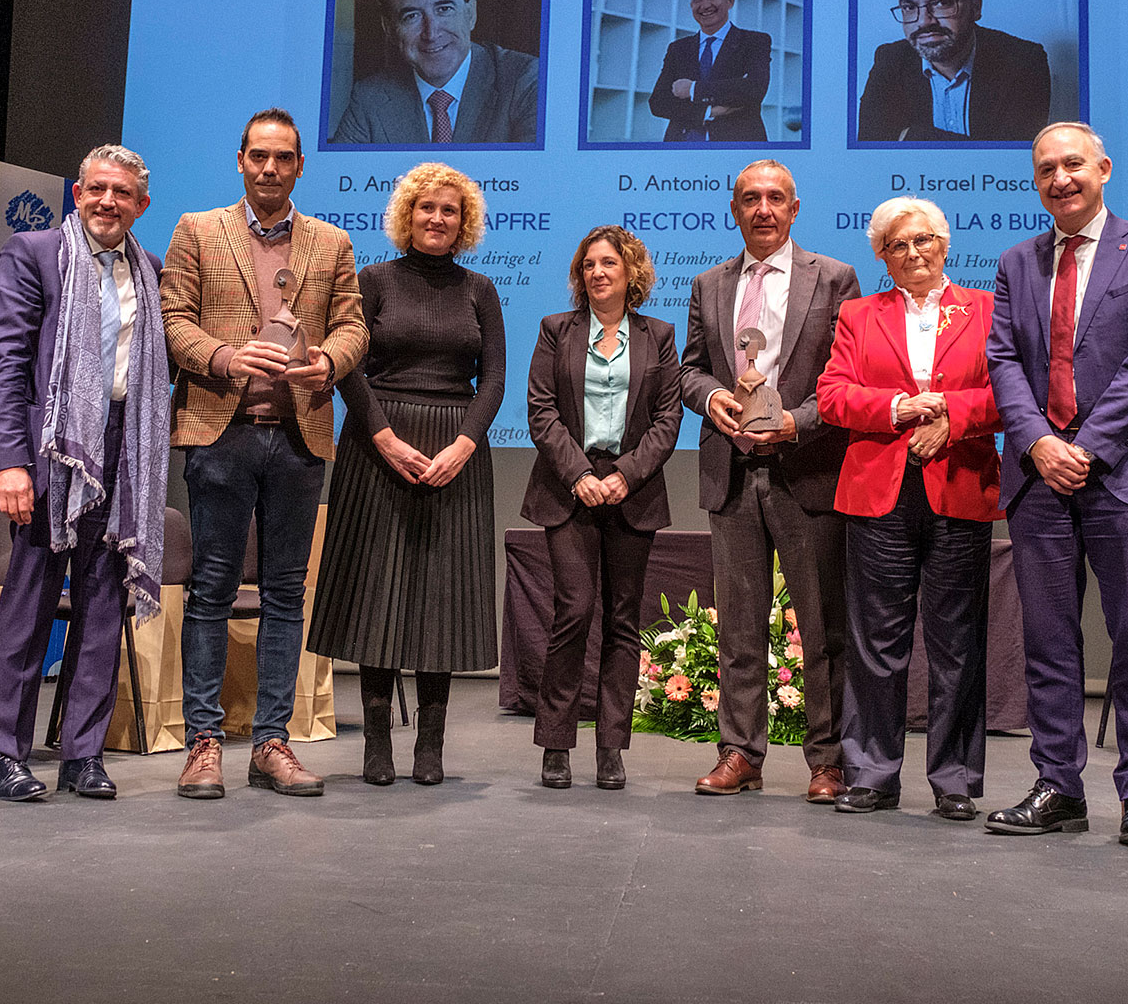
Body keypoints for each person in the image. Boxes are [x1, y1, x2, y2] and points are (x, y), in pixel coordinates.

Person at [984, 122, 1128, 847]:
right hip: (1039, 478)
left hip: (1125, 474)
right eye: (1046, 169)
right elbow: (1002, 359)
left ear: (1102, 168)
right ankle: (1058, 788)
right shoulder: (1016, 261)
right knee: (1047, 642)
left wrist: (1087, 449)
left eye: (1073, 165)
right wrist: (1040, 442)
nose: (1060, 178)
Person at [161, 107, 368, 798]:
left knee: (286, 592)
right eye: (259, 156)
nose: (271, 168)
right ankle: (205, 743)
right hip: (220, 432)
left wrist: (329, 367)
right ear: (241, 161)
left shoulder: (331, 242)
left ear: (301, 166)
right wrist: (222, 356)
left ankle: (272, 742)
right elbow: (172, 322)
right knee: (212, 590)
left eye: (284, 157)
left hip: (299, 436)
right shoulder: (198, 230)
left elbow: (353, 327)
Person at [0, 145, 171, 803]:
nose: (108, 202)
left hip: (123, 450)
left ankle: (83, 754)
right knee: (28, 608)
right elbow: (5, 364)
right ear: (77, 192)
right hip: (52, 453)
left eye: (123, 193)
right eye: (97, 189)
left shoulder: (150, 268)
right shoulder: (35, 254)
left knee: (101, 607)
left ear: (141, 205)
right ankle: (5, 756)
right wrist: (7, 458)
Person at [308, 163, 505, 787]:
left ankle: (431, 745)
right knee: (377, 593)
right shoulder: (373, 281)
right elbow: (350, 368)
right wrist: (385, 437)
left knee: (439, 597)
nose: (438, 219)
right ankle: (376, 745)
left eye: (450, 210)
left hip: (456, 455)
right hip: (379, 446)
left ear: (464, 220)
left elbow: (494, 377)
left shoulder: (480, 290)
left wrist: (465, 444)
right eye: (427, 209)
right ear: (406, 216)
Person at [815, 197, 1002, 820]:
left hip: (960, 486)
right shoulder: (857, 314)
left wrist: (951, 416)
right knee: (876, 643)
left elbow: (1009, 393)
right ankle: (871, 771)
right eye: (898, 245)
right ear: (881, 255)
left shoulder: (985, 309)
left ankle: (954, 778)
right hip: (879, 492)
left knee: (956, 641)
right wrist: (900, 409)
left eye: (923, 240)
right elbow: (834, 394)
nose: (913, 253)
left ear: (945, 244)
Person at [679, 159, 860, 801]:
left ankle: (828, 761)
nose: (763, 209)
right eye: (750, 198)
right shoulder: (709, 284)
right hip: (731, 473)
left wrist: (796, 422)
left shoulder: (835, 277)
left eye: (775, 198)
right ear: (735, 210)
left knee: (823, 627)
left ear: (795, 207)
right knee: (739, 626)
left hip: (806, 469)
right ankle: (740, 754)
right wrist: (711, 401)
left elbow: (847, 374)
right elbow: (690, 370)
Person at [525, 226, 684, 790]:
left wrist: (624, 475)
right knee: (574, 610)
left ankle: (612, 746)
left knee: (622, 620)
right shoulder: (555, 331)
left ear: (630, 272)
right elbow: (540, 410)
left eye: (608, 263)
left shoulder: (659, 335)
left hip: (631, 492)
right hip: (569, 490)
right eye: (588, 264)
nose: (597, 272)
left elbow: (668, 420)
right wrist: (580, 476)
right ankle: (555, 742)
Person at [330, 0, 539, 144]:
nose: (431, 33)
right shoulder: (370, 99)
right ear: (390, 29)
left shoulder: (526, 80)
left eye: (444, 9)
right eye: (412, 16)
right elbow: (338, 178)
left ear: (471, 13)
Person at [855, 0, 1050, 142]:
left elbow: (1013, 160)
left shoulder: (1024, 61)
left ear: (975, 7)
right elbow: (870, 151)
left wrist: (911, 135)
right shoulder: (890, 60)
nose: (924, 21)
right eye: (909, 7)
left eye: (942, 3)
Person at [648, 0, 771, 142]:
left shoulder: (754, 42)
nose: (705, 5)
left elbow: (754, 89)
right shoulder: (678, 48)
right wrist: (708, 112)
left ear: (730, 1)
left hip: (738, 150)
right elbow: (658, 102)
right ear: (691, 5)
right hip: (681, 149)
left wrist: (693, 89)